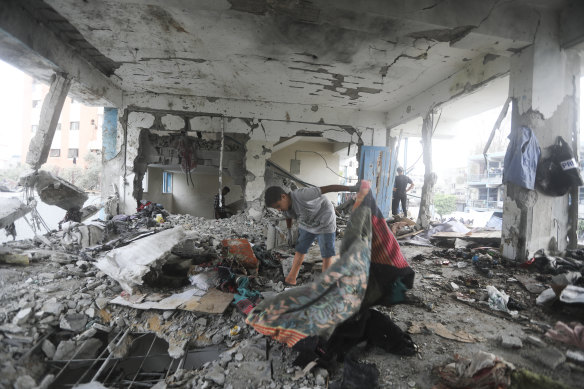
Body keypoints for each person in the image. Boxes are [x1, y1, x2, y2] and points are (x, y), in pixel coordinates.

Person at [265, 184, 359, 285]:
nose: (278, 209)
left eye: (278, 206)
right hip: (307, 224)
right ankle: (291, 279)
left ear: (284, 196)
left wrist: (352, 189)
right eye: (276, 208)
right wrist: (289, 230)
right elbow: (288, 216)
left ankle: (325, 282)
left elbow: (328, 188)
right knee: (300, 249)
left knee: (326, 253)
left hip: (324, 219)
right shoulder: (285, 208)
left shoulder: (302, 195)